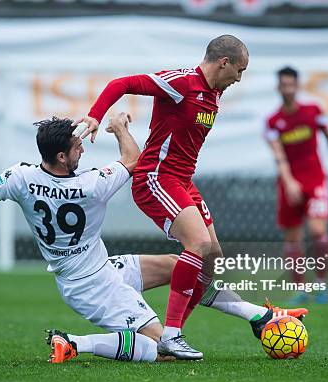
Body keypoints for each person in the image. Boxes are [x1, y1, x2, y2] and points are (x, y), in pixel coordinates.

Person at [0, 114, 307, 364]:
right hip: (92, 288)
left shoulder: (20, 177)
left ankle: (259, 318)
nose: (83, 149)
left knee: (184, 268)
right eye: (78, 146)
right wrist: (118, 127)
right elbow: (133, 161)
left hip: (97, 268)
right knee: (161, 351)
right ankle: (73, 343)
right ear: (62, 156)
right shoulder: (91, 184)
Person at [75, 35, 250, 359]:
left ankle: (170, 339)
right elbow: (122, 83)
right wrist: (95, 115)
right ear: (224, 62)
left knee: (212, 256)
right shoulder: (182, 82)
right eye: (239, 70)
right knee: (197, 245)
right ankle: (171, 334)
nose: (239, 79)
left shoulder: (214, 92)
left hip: (182, 181)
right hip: (155, 178)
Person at [264, 66, 328, 305]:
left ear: (297, 86)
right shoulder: (273, 122)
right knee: (293, 239)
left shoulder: (313, 111)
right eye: (283, 85)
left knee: (318, 233)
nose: (287, 89)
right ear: (278, 87)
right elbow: (278, 156)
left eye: (291, 84)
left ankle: (322, 285)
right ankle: (301, 289)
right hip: (289, 184)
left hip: (315, 181)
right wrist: (289, 181)